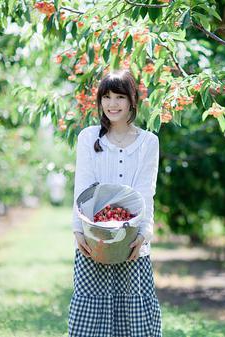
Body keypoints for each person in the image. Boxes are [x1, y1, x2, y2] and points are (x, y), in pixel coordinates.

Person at [68, 69, 162, 336]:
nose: (112, 104)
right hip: (94, 235)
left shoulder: (148, 142)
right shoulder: (89, 137)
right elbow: (83, 187)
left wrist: (144, 234)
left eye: (119, 97)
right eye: (106, 97)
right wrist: (78, 230)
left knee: (133, 319)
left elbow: (146, 191)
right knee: (89, 318)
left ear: (132, 100)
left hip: (131, 238)